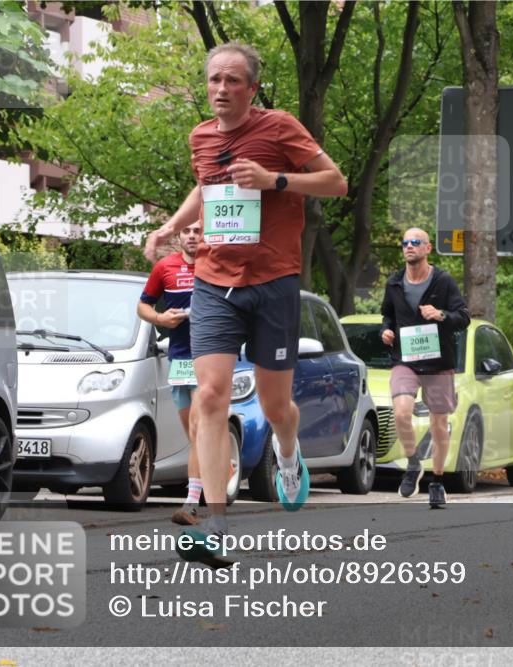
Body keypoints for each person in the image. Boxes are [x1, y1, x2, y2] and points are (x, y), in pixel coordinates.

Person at [144, 43, 346, 566]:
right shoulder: (201, 137)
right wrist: (169, 226)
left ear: (252, 88)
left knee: (276, 406)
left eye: (233, 80)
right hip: (214, 282)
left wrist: (275, 180)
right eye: (214, 79)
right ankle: (215, 524)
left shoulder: (280, 128)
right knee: (210, 397)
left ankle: (287, 453)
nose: (221, 88)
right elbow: (204, 189)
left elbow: (336, 182)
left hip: (274, 281)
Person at [380, 228, 470, 508]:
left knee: (439, 425)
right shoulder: (394, 283)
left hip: (438, 362)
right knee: (401, 413)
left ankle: (437, 482)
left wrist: (440, 314)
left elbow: (463, 317)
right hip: (405, 360)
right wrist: (386, 331)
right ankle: (413, 463)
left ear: (428, 248)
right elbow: (387, 316)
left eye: (415, 242)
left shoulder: (443, 281)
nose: (409, 246)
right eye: (405, 242)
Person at [137, 220, 202, 526]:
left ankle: (191, 502)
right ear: (178, 237)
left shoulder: (216, 265)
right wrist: (161, 319)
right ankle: (218, 467)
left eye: (198, 230)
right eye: (187, 231)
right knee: (193, 435)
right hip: (179, 359)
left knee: (200, 431)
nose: (192, 236)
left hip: (209, 358)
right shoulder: (165, 267)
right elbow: (143, 306)